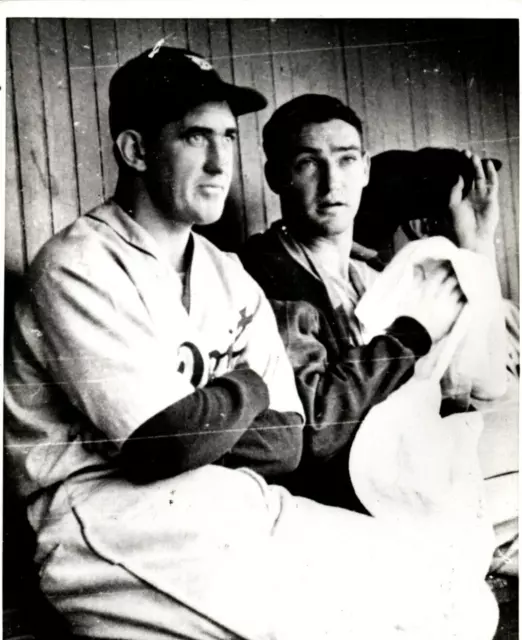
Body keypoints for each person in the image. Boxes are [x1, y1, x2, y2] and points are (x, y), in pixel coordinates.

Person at [4, 50, 498, 640]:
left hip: (232, 499)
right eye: (194, 137)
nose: (218, 163)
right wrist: (251, 383)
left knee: (458, 599)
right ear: (135, 150)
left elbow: (286, 443)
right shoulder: (79, 264)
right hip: (107, 519)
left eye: (228, 138)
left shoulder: (226, 272)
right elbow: (160, 443)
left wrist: (207, 412)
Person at [239, 94, 514, 513]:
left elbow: (486, 386)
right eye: (309, 163)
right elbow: (317, 432)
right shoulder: (262, 273)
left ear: (365, 168)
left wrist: (476, 243)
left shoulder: (370, 275)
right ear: (276, 175)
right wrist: (410, 336)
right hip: (346, 484)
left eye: (347, 160)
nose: (333, 183)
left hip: (404, 458)